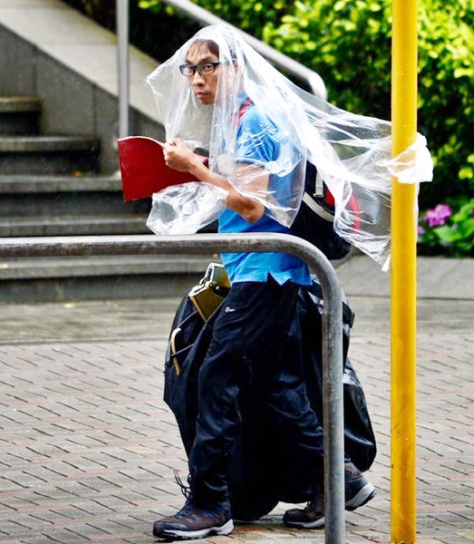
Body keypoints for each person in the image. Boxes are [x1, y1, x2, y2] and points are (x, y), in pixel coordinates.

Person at [145, 26, 378, 540]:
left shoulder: (255, 122)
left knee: (215, 379)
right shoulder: (242, 121)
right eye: (190, 69)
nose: (197, 80)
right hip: (266, 270)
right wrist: (200, 168)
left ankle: (211, 504)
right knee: (276, 388)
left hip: (264, 274)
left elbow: (253, 206)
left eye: (209, 66)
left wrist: (193, 169)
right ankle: (340, 480)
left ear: (235, 68)